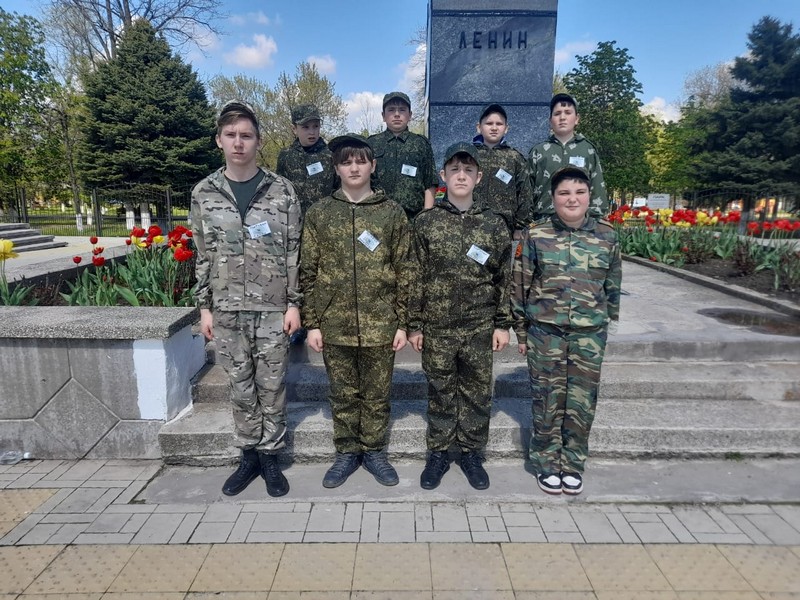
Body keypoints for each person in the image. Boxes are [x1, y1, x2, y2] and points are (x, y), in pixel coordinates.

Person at [190, 100, 301, 498]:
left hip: (272, 308)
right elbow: (202, 254)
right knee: (239, 386)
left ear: (258, 141)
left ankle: (271, 457)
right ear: (219, 140)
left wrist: (294, 303)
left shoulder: (281, 191)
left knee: (272, 386)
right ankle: (248, 455)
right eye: (231, 135)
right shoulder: (204, 192)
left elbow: (294, 251)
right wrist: (204, 308)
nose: (239, 142)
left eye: (246, 135)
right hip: (226, 309)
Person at [300, 133, 411, 489]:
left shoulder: (391, 212)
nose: (353, 168)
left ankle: (375, 451)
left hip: (381, 323)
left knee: (377, 394)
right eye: (346, 162)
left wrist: (403, 323)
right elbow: (308, 270)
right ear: (336, 168)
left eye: (360, 161)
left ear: (373, 166)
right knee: (343, 393)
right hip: (335, 322)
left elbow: (406, 269)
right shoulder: (320, 213)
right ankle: (347, 452)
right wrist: (312, 323)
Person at [511, 165, 621, 495]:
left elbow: (613, 283)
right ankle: (546, 464)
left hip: (589, 334)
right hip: (546, 333)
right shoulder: (536, 234)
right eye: (564, 193)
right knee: (547, 400)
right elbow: (520, 284)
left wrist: (608, 322)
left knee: (582, 402)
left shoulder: (607, 235)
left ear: (589, 196)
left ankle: (573, 464)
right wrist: (521, 332)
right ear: (553, 197)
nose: (572, 199)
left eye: (579, 192)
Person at [408, 142, 513, 491]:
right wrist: (414, 325)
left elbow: (504, 278)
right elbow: (414, 275)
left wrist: (502, 324)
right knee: (440, 390)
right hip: (438, 326)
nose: (461, 176)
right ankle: (438, 453)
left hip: (479, 325)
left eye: (468, 170)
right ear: (443, 176)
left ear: (479, 177)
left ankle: (470, 453)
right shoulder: (426, 222)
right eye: (455, 170)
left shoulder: (494, 224)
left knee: (476, 391)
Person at [528, 93, 608, 221]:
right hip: (545, 221)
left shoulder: (587, 150)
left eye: (568, 112)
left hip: (580, 222)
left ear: (576, 119)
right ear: (550, 121)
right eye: (557, 113)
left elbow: (597, 186)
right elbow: (527, 191)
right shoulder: (538, 151)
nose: (562, 117)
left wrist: (597, 220)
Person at [368, 92, 438, 219]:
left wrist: (425, 217)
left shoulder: (421, 144)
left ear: (410, 115)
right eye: (391, 110)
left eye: (402, 110)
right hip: (378, 217)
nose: (397, 114)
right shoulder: (371, 144)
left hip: (412, 218)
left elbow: (430, 183)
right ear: (383, 116)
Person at [472, 103, 532, 238]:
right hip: (472, 225)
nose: (494, 128)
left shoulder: (515, 158)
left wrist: (520, 226)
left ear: (506, 129)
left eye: (499, 124)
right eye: (489, 123)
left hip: (504, 229)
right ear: (479, 127)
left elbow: (525, 193)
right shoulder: (469, 155)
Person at [276, 104, 337, 215]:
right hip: (294, 220)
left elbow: (339, 191)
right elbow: (280, 191)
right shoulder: (286, 156)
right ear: (294, 129)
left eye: (315, 126)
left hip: (324, 219)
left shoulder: (331, 155)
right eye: (305, 127)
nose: (312, 132)